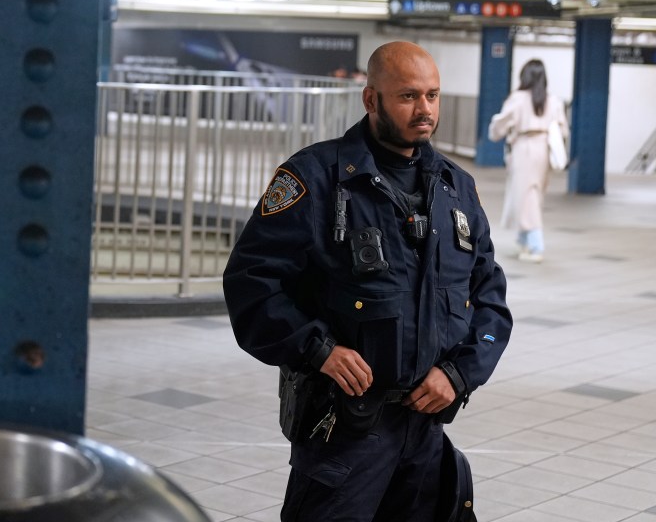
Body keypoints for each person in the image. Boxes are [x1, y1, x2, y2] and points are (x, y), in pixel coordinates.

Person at [223, 41, 511, 522]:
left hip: (425, 432)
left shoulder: (456, 189)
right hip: (345, 433)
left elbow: (490, 300)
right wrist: (318, 349)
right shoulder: (316, 178)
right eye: (408, 96)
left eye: (433, 95)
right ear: (371, 99)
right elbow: (250, 282)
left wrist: (459, 374)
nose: (425, 110)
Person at [487, 58, 567, 263]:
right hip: (544, 149)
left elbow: (500, 125)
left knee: (525, 195)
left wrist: (495, 131)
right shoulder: (553, 100)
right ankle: (523, 241)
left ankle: (535, 245)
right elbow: (563, 129)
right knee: (533, 194)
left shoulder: (518, 98)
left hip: (524, 147)